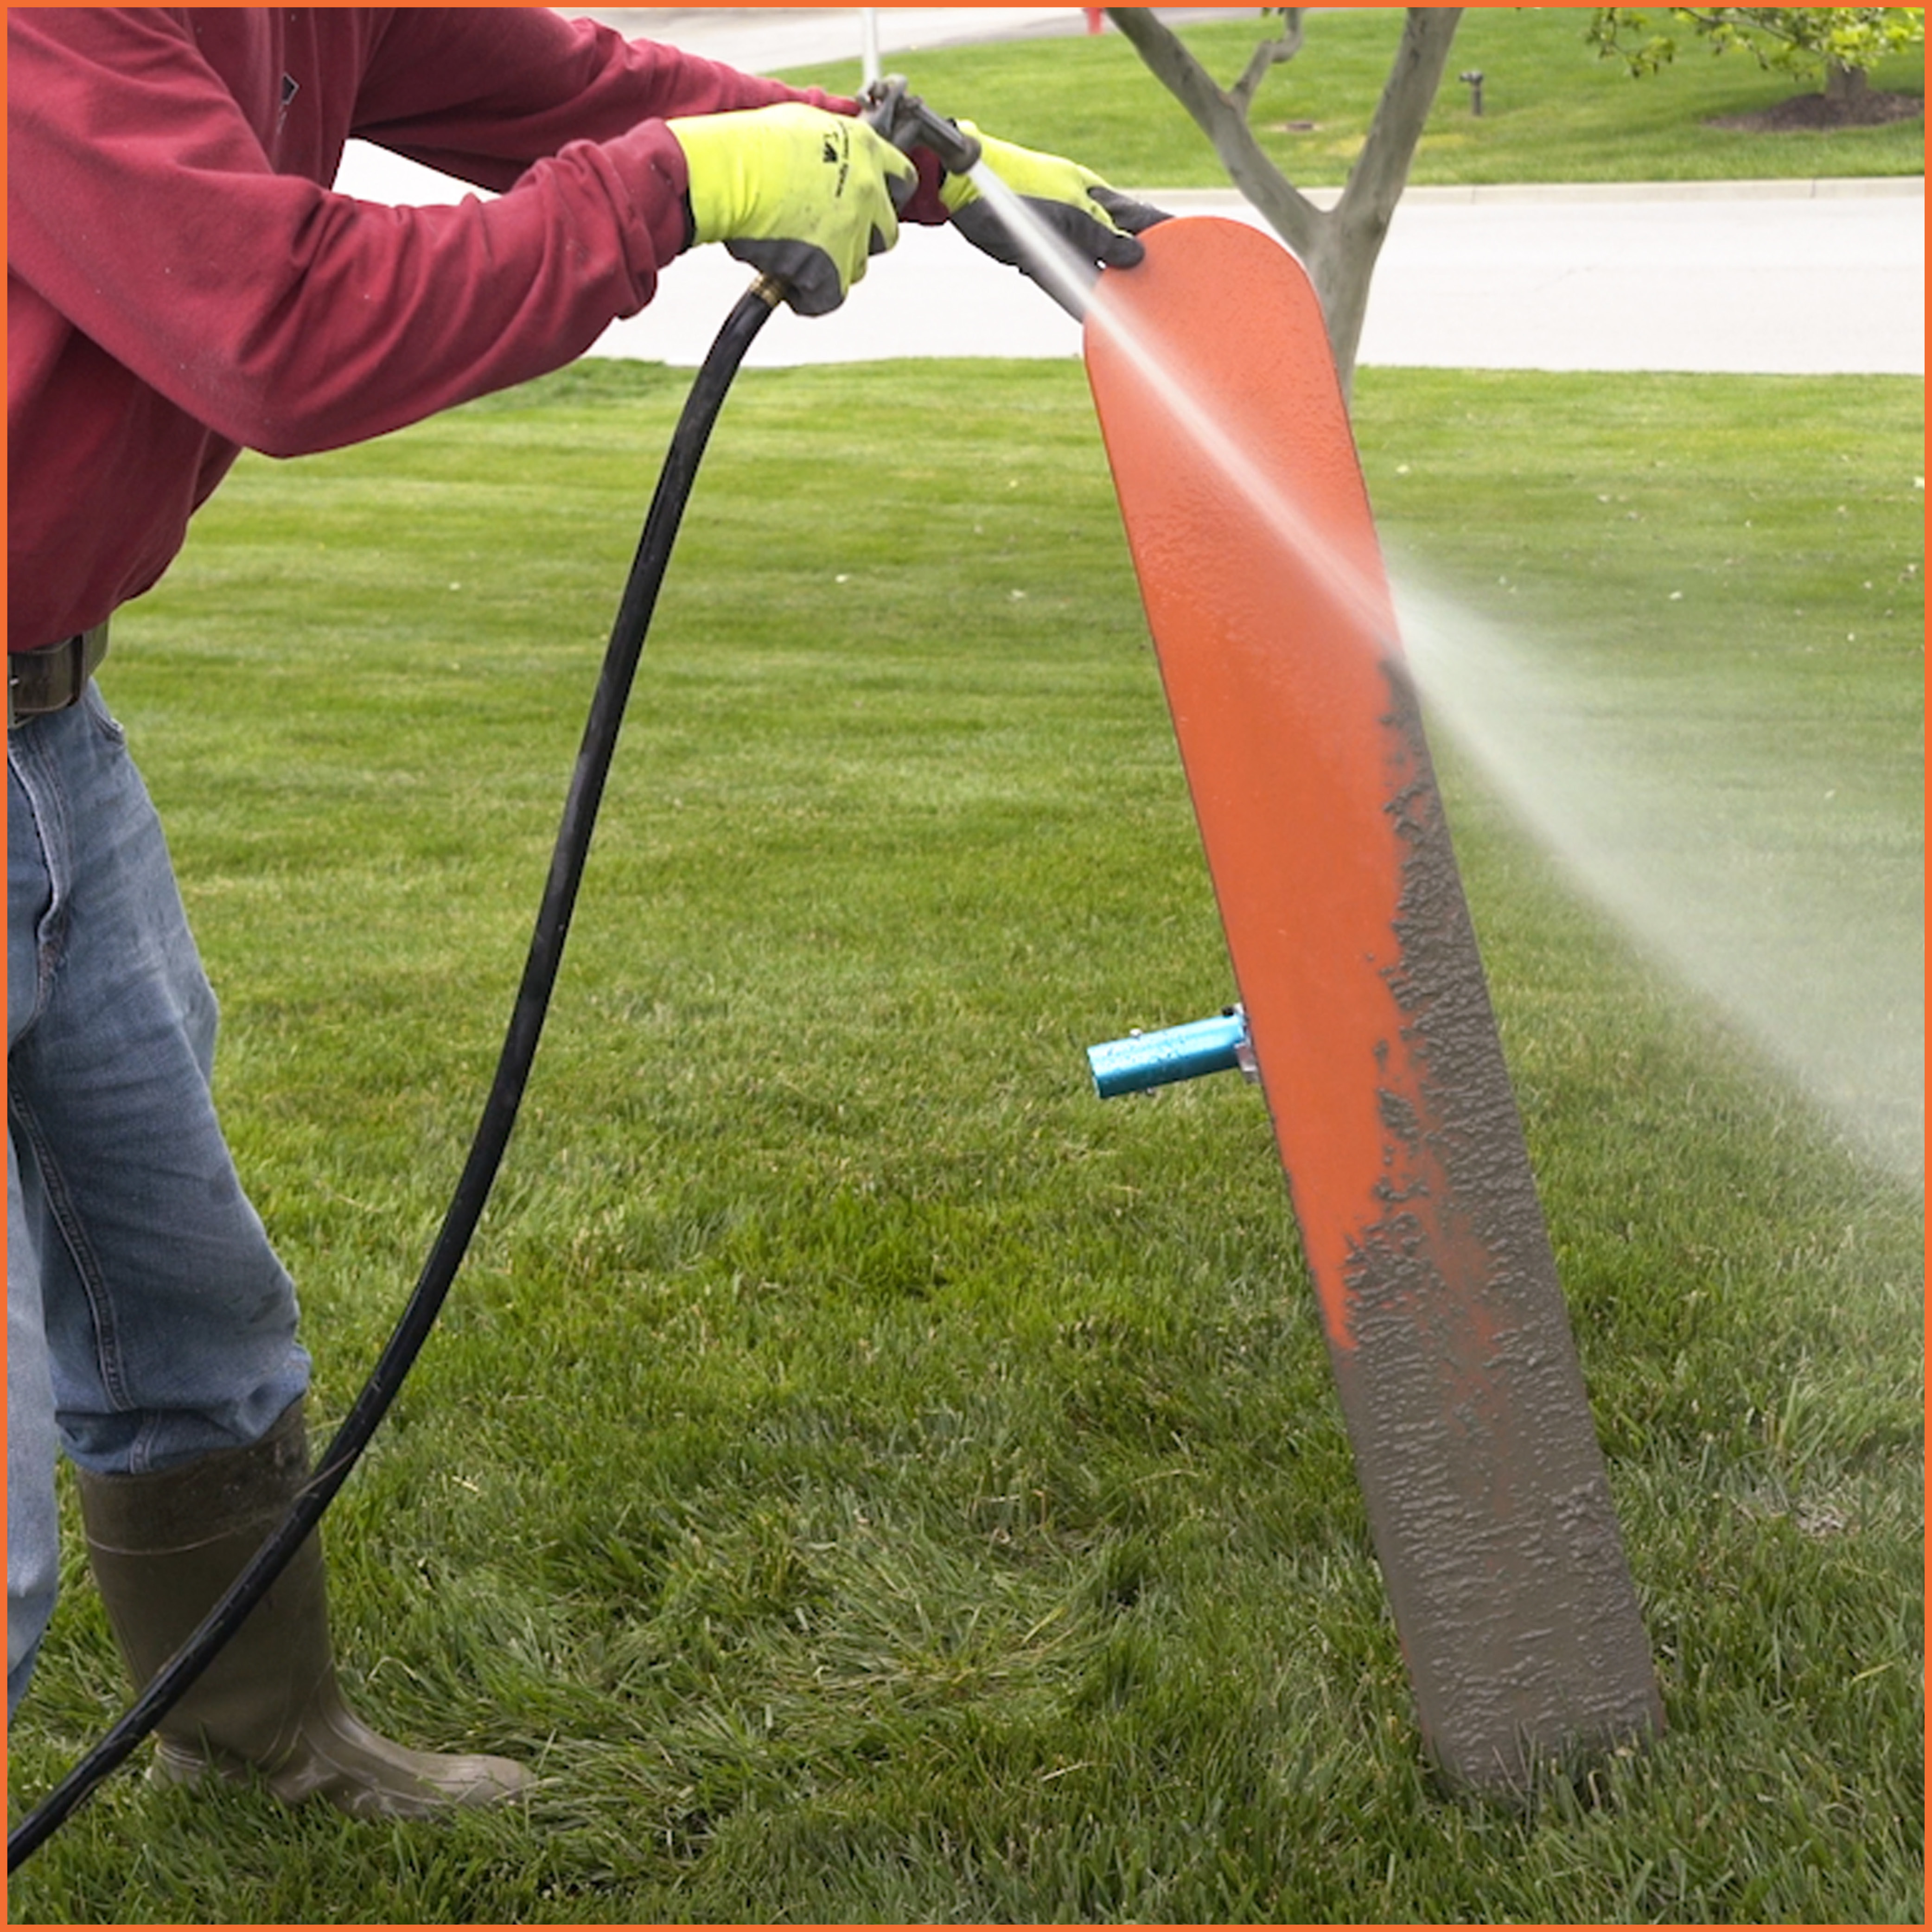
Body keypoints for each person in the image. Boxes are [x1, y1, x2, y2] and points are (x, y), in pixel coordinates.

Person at [7, 6, 1163, 1821]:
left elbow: (583, 90)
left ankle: (264, 1750)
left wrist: (927, 169)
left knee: (186, 1308)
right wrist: (670, 195)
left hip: (50, 731)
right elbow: (283, 325)